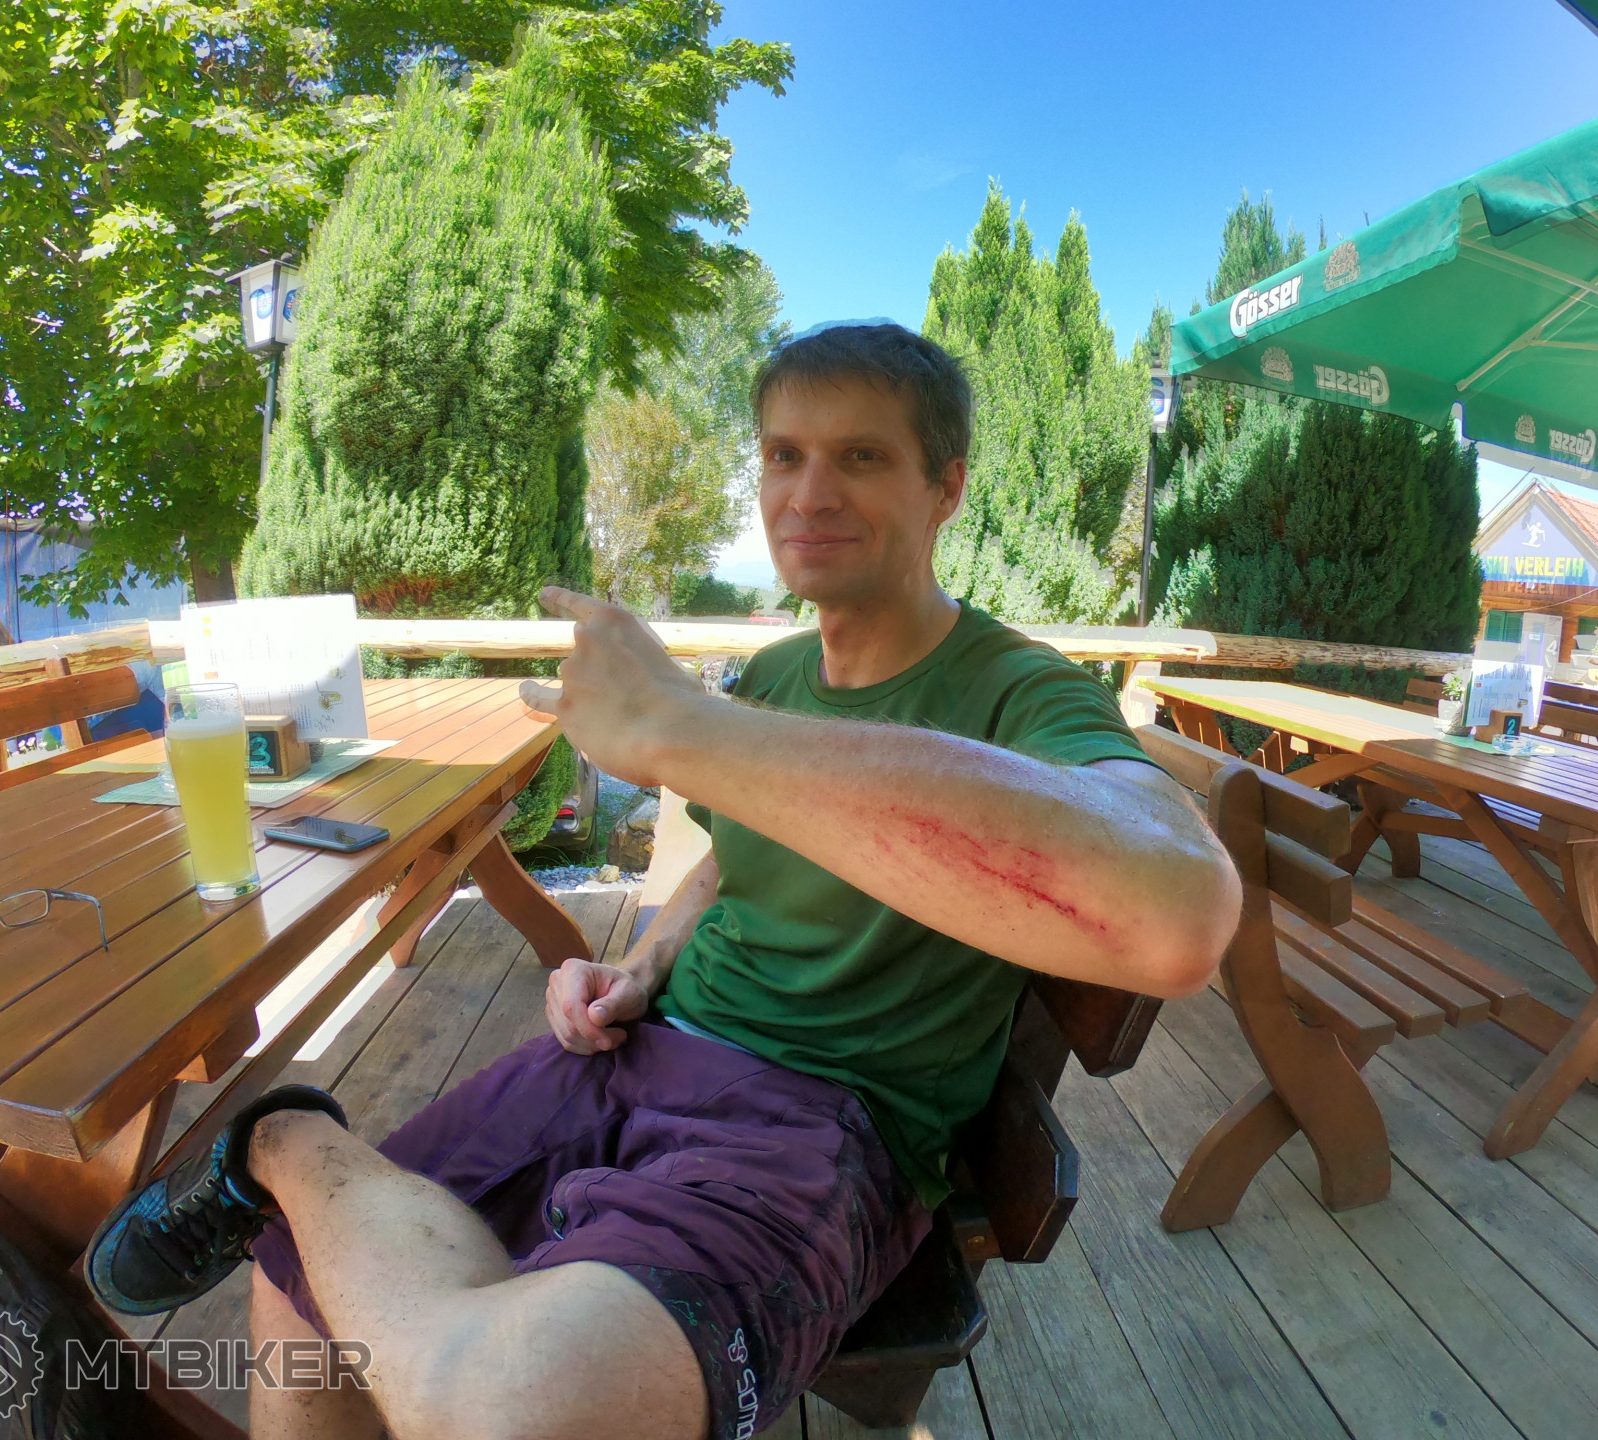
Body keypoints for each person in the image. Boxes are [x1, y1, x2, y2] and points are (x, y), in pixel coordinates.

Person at [86, 324, 1243, 1440]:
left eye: (860, 456)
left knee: (522, 1409)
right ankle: (285, 1153)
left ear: (946, 487)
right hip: (631, 1054)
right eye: (783, 455)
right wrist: (639, 965)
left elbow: (1181, 912)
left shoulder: (1020, 690)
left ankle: (280, 1140)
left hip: (823, 1120)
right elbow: (729, 864)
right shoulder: (776, 675)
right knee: (299, 1287)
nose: (809, 493)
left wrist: (687, 727)